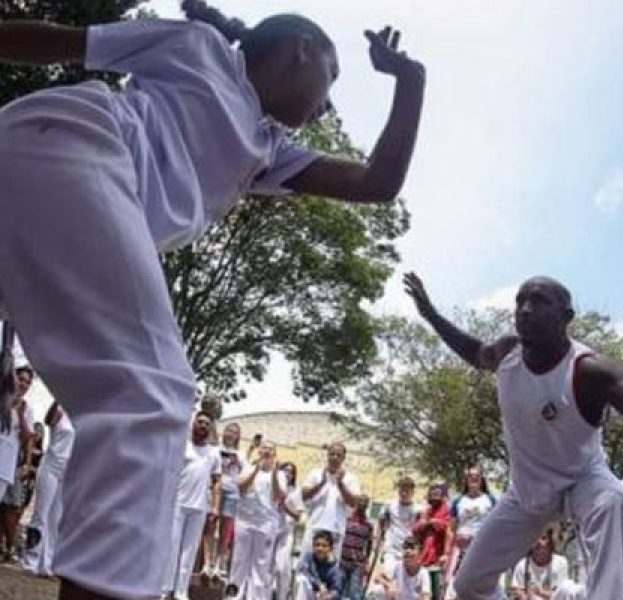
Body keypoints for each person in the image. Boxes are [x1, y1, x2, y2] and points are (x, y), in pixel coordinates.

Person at [0, 0, 424, 595]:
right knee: (152, 392)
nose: (328, 102)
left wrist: (411, 83)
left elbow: (378, 182)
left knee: (144, 390)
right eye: (331, 78)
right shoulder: (195, 46)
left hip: (44, 182)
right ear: (301, 49)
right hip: (74, 143)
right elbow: (61, 41)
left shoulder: (267, 152)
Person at [403, 272, 623, 600]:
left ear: (566, 317)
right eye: (520, 300)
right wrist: (431, 314)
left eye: (538, 301)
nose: (525, 308)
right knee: (468, 585)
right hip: (527, 492)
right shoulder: (507, 354)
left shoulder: (588, 371)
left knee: (613, 502)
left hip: (582, 481)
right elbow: (473, 351)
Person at [163, 411, 223, 600]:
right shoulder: (183, 446)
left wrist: (215, 507)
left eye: (207, 424)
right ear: (194, 424)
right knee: (172, 547)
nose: (203, 426)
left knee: (189, 551)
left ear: (210, 429)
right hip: (178, 503)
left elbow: (217, 482)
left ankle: (181, 591)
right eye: (200, 422)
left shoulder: (214, 454)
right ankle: (166, 589)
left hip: (199, 507)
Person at [228, 439, 288, 600]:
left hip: (266, 523)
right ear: (259, 451)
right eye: (264, 448)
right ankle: (233, 596)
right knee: (239, 561)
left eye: (270, 449)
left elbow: (279, 496)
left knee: (261, 564)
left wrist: (274, 473)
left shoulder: (281, 475)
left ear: (274, 454)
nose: (267, 451)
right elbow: (241, 486)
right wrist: (255, 470)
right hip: (245, 521)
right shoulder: (249, 468)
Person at [22, 402, 74, 577]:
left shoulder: (83, 415)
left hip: (67, 471)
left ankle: (47, 564)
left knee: (55, 520)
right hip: (50, 466)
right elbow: (47, 419)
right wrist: (59, 399)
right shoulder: (60, 410)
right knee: (40, 516)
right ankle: (31, 560)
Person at [443, 466, 497, 599]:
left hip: (483, 550)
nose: (473, 478)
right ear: (466, 480)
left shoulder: (490, 500)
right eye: (470, 476)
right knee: (453, 584)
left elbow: (497, 527)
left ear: (482, 479)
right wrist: (446, 553)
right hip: (461, 550)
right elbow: (451, 529)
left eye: (477, 476)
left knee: (484, 585)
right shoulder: (458, 502)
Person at [301, 442, 360, 560]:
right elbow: (304, 495)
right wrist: (321, 483)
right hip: (315, 526)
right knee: (307, 565)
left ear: (343, 458)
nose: (335, 458)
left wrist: (341, 484)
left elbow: (354, 502)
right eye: (332, 454)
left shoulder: (350, 478)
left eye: (338, 455)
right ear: (327, 455)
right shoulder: (315, 474)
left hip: (335, 530)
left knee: (330, 569)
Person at [203, 421, 245, 582]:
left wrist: (236, 462)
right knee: (210, 526)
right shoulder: (215, 450)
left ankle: (220, 563)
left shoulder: (241, 455)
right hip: (215, 489)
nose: (231, 434)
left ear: (238, 436)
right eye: (228, 430)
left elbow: (244, 475)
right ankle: (207, 563)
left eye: (234, 432)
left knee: (225, 530)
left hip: (232, 492)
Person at [0, 365, 34, 563]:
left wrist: (20, 413)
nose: (24, 384)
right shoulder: (2, 398)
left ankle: (8, 547)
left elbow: (27, 437)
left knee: (8, 507)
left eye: (28, 382)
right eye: (21, 379)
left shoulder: (27, 409)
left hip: (7, 463)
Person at [509, 530, 585, 600]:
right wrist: (526, 596)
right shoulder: (522, 565)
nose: (539, 542)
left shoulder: (561, 562)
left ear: (550, 544)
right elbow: (517, 591)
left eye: (543, 538)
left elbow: (559, 592)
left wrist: (539, 591)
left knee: (567, 586)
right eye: (537, 547)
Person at [377, 475, 423, 578]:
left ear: (412, 492)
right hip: (391, 547)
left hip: (408, 549)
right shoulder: (389, 505)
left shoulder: (418, 509)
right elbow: (381, 523)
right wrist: (378, 542)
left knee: (404, 579)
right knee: (388, 574)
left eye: (407, 491)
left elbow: (420, 531)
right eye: (402, 490)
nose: (404, 493)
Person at [413, 484, 451, 599]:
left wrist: (446, 554)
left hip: (439, 561)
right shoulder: (426, 512)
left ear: (443, 496)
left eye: (437, 495)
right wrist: (426, 524)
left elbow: (448, 530)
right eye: (432, 495)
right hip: (424, 559)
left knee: (437, 593)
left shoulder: (447, 511)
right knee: (424, 593)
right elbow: (416, 529)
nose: (434, 498)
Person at [275, 462, 306, 600]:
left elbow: (299, 516)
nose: (288, 474)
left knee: (282, 568)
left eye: (291, 472)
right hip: (270, 530)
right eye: (285, 470)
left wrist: (286, 507)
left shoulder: (295, 492)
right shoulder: (274, 486)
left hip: (286, 532)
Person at [340, 494, 374, 600]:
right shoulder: (346, 520)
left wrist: (366, 561)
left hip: (357, 563)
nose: (362, 504)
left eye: (364, 503)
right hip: (342, 560)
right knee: (338, 590)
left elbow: (369, 544)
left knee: (355, 593)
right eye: (360, 501)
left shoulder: (368, 525)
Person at [296, 530, 345, 600]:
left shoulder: (334, 568)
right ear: (313, 546)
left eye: (324, 546)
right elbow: (303, 571)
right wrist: (318, 584)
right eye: (317, 545)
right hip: (311, 593)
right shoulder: (309, 558)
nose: (320, 548)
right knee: (301, 579)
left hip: (325, 596)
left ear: (330, 549)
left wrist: (327, 596)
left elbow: (337, 590)